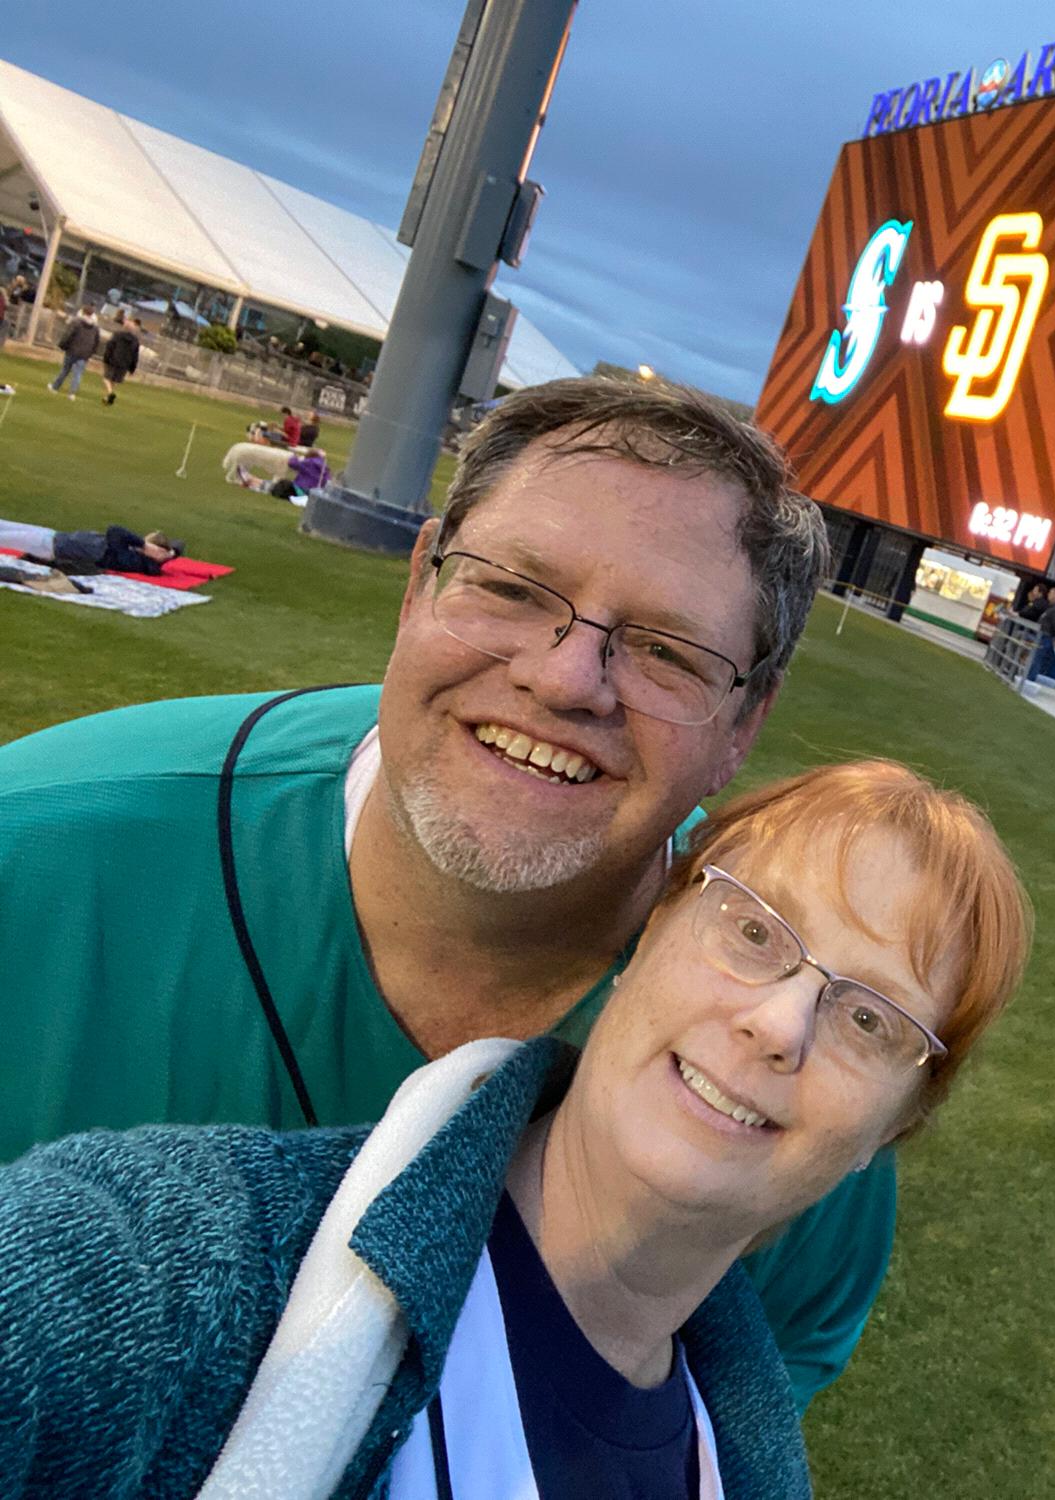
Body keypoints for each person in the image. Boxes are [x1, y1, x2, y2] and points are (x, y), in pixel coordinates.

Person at [0, 376, 895, 1414]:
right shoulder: (37, 855)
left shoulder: (788, 1063)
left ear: (744, 724)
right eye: (511, 589)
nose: (565, 679)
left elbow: (763, 1372)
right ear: (418, 584)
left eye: (665, 650)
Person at [0, 759, 1034, 1497]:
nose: (778, 1024)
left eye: (869, 1019)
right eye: (755, 930)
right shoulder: (205, 1259)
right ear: (650, 932)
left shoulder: (736, 1456)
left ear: (892, 1129)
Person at [0, 517, 183, 574]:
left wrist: (145, 546)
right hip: (57, 538)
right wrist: (170, 553)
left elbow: (115, 531)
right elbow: (179, 545)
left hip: (52, 547)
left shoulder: (134, 561)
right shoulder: (138, 555)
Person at [236, 446, 329, 503]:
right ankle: (252, 480)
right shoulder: (325, 467)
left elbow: (292, 463)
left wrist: (295, 457)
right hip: (313, 494)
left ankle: (250, 481)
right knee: (281, 486)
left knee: (281, 486)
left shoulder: (310, 462)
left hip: (302, 491)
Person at [46, 306, 98, 398]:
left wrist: (62, 345)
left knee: (65, 370)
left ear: (83, 312)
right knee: (78, 374)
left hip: (72, 350)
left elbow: (68, 335)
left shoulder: (76, 322)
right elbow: (96, 342)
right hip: (84, 353)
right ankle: (72, 393)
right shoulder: (95, 328)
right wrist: (91, 353)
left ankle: (55, 387)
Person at [95, 308, 142, 405]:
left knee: (106, 378)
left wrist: (106, 358)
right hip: (125, 363)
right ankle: (108, 397)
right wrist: (132, 368)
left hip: (113, 360)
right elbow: (135, 355)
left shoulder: (117, 335)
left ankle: (110, 393)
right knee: (115, 380)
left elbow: (110, 346)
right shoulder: (135, 341)